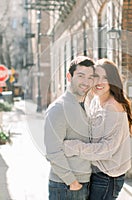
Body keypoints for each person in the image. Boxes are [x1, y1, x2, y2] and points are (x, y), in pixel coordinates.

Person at [64, 58, 132, 200]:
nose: (99, 82)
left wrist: (72, 147)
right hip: (95, 171)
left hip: (107, 177)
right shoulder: (96, 100)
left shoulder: (113, 107)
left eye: (105, 77)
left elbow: (106, 149)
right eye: (96, 76)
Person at [44, 56, 95, 200]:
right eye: (81, 76)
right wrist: (72, 181)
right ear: (69, 77)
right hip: (66, 186)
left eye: (90, 77)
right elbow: (52, 151)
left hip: (83, 181)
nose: (86, 82)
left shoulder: (85, 105)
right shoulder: (58, 109)